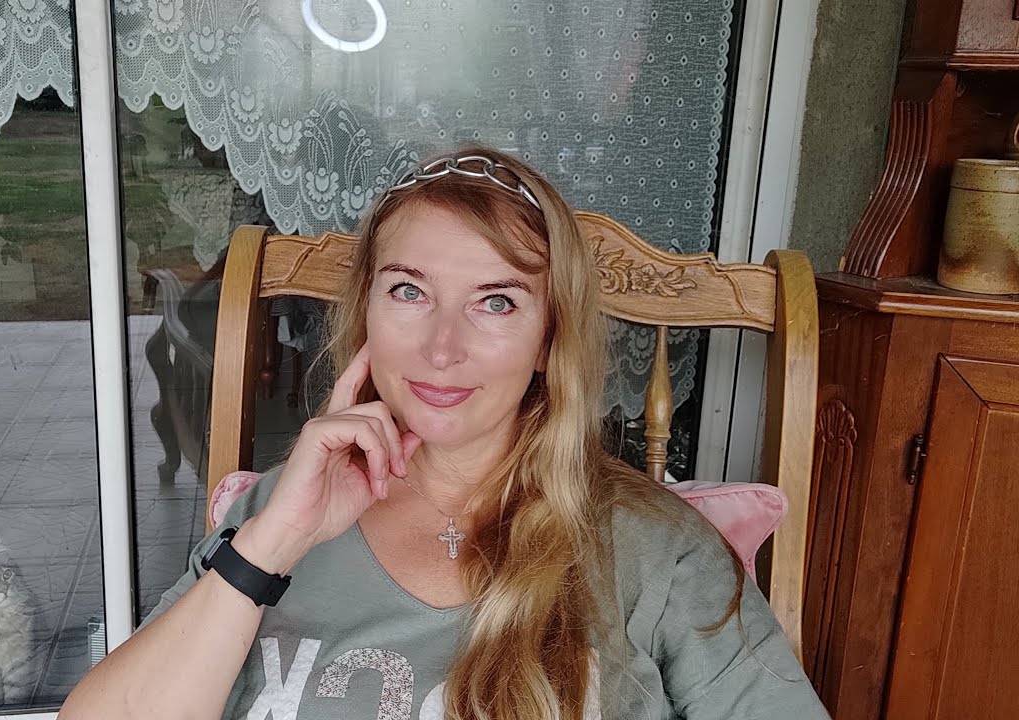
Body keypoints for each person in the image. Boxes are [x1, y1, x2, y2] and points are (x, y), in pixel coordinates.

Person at [58, 147, 831, 720]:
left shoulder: (657, 553)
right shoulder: (276, 517)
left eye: (496, 302)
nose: (441, 348)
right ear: (366, 310)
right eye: (409, 291)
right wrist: (272, 545)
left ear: (548, 337)